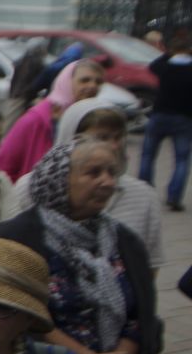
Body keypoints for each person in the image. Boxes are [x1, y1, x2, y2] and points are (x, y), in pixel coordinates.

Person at [0, 137, 161, 354]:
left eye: (112, 173)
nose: (108, 182)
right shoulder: (17, 237)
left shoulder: (123, 240)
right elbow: (20, 313)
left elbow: (141, 309)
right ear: (59, 179)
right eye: (93, 173)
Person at [17, 99, 166, 269]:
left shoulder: (143, 196)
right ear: (72, 140)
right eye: (101, 137)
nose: (113, 146)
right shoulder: (30, 188)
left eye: (118, 137)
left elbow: (148, 268)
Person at [0, 58, 107, 181]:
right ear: (67, 83)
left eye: (98, 82)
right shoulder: (36, 119)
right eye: (85, 80)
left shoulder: (92, 120)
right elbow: (3, 166)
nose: (92, 86)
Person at [139, 26, 192, 212]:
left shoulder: (165, 66)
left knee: (148, 155)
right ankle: (174, 197)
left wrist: (166, 55)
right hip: (184, 119)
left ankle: (143, 193)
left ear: (171, 50)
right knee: (182, 160)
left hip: (160, 114)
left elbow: (152, 66)